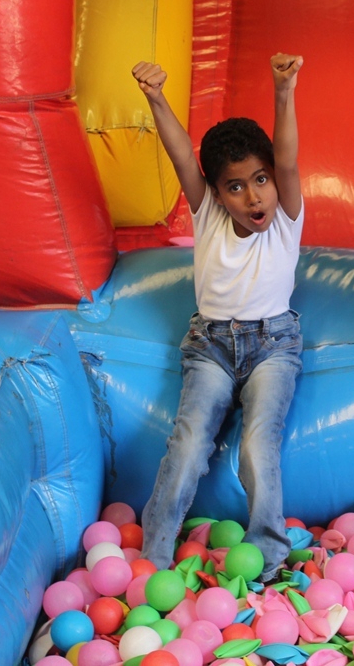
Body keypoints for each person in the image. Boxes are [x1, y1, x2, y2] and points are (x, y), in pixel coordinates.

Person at [132, 53, 305, 580]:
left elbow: (288, 160)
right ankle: (154, 556)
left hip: (274, 345)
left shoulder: (285, 216)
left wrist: (283, 92)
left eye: (261, 180)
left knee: (257, 443)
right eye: (236, 186)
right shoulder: (206, 212)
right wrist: (155, 98)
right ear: (217, 194)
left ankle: (268, 557)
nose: (254, 196)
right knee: (188, 443)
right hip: (210, 347)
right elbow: (181, 155)